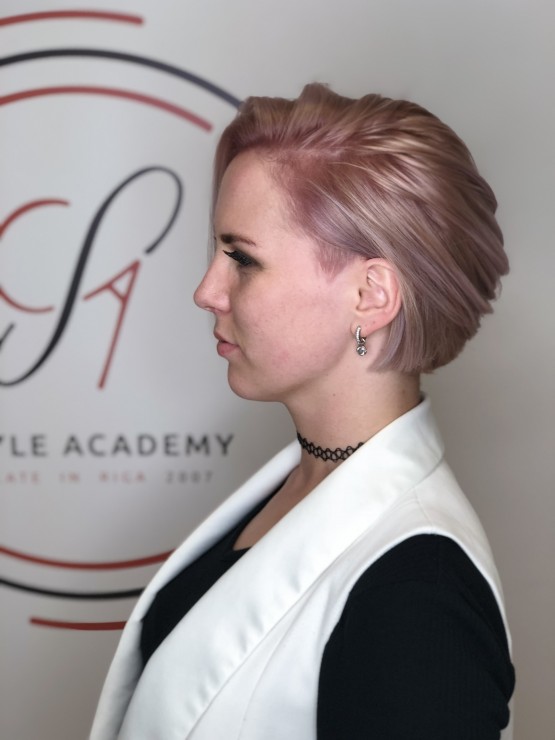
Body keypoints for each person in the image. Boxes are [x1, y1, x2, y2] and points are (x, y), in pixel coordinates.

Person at [90, 84, 515, 739]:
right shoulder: (303, 484)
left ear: (370, 295)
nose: (206, 291)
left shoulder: (417, 595)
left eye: (242, 259)